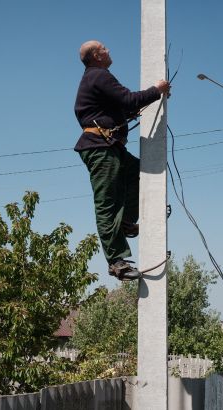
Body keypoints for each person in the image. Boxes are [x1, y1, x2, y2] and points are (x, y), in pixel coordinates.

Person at [74, 40, 170, 280]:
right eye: (104, 48)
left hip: (111, 147)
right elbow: (128, 100)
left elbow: (123, 108)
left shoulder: (96, 78)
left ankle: (126, 222)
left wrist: (147, 99)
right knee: (107, 203)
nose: (108, 50)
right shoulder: (99, 75)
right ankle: (116, 262)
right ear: (96, 55)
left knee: (140, 172)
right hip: (100, 147)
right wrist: (157, 90)